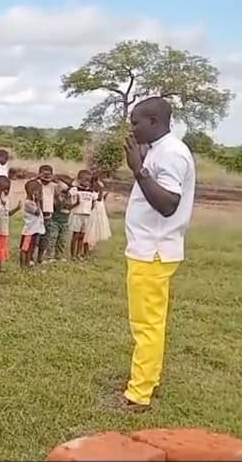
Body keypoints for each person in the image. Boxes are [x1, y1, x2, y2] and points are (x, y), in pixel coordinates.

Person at [121, 97, 195, 409]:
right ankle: (148, 378)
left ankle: (140, 393)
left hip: (152, 251)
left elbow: (167, 205)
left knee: (146, 324)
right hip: (148, 248)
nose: (132, 128)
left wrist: (139, 171)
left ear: (153, 122)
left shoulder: (172, 154)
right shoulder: (158, 150)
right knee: (148, 322)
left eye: (136, 122)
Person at [68, 170, 97, 260]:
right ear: (79, 180)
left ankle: (78, 254)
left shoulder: (91, 192)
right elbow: (68, 195)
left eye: (89, 180)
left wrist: (90, 209)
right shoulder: (75, 189)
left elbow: (93, 202)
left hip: (87, 215)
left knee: (82, 236)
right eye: (85, 180)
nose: (87, 182)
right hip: (77, 214)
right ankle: (73, 255)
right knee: (75, 235)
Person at [0, 176, 19, 271]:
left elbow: (7, 214)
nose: (5, 192)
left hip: (4, 229)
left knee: (1, 248)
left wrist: (17, 209)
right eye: (2, 190)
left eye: (7, 190)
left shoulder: (6, 200)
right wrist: (1, 203)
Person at [20, 180, 45, 268]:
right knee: (25, 248)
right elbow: (37, 212)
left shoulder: (33, 202)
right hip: (29, 231)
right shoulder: (28, 203)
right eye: (38, 192)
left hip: (35, 229)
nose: (40, 194)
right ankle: (23, 264)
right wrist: (38, 201)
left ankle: (28, 262)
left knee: (31, 247)